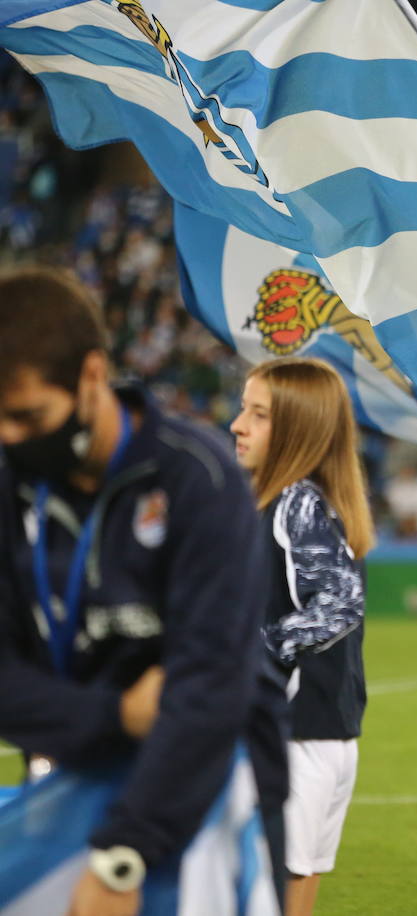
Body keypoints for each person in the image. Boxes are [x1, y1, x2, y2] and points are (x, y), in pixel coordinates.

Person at [0, 266, 288, 912]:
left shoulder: (199, 480)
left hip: (212, 791)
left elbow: (208, 692)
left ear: (92, 376)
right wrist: (116, 715)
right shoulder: (9, 491)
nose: (9, 437)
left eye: (27, 416)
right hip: (71, 784)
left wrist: (122, 856)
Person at [230, 357, 373, 916]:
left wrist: (249, 655)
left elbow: (340, 602)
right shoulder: (300, 499)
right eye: (244, 409)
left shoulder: (297, 502)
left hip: (293, 739)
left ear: (298, 428)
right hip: (319, 735)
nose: (238, 424)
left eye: (258, 414)